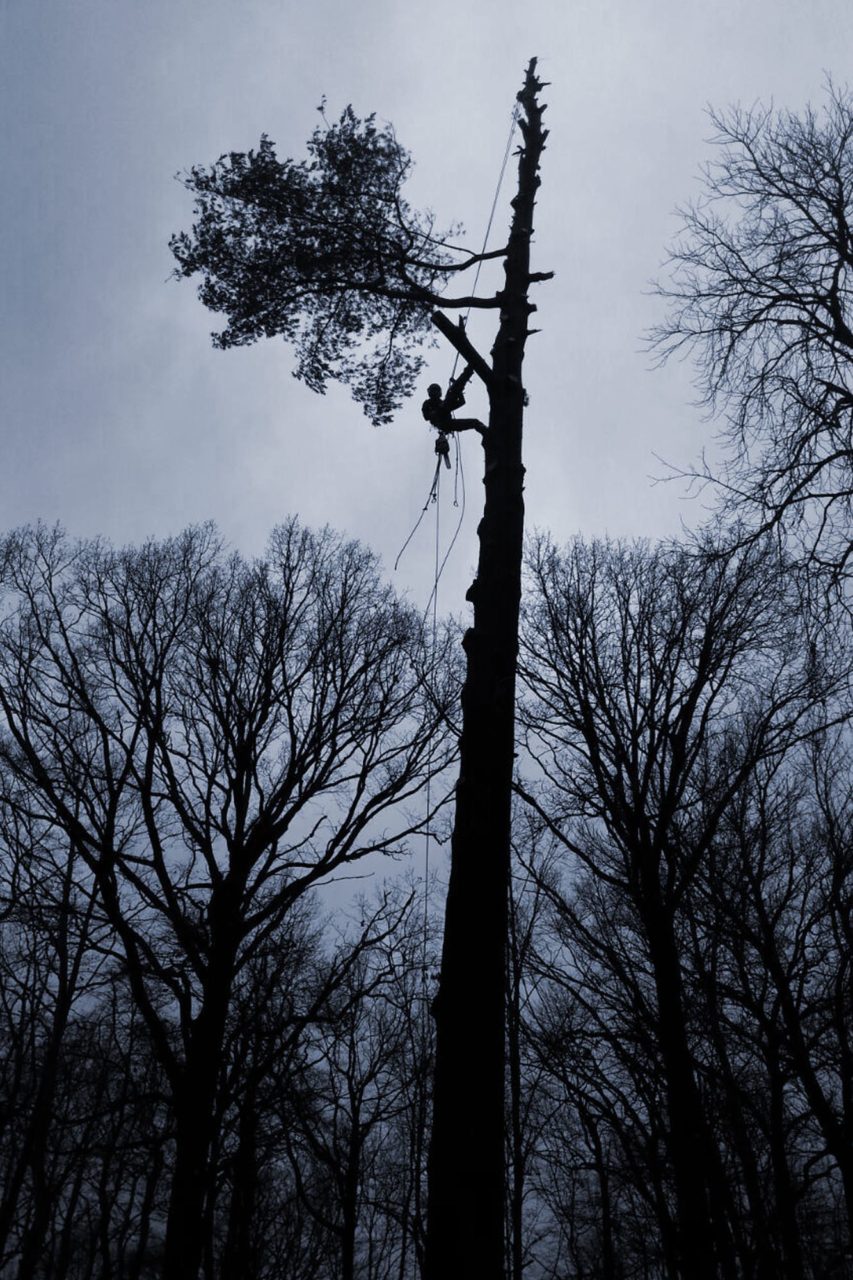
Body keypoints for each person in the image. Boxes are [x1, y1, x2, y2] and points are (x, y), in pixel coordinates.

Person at [421, 366, 486, 467]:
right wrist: (437, 411)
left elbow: (461, 402)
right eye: (433, 391)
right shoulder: (428, 403)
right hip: (441, 422)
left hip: (450, 424)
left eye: (436, 390)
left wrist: (458, 390)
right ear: (430, 392)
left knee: (474, 422)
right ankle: (467, 373)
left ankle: (485, 432)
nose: (435, 393)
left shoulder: (443, 403)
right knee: (452, 391)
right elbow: (426, 417)